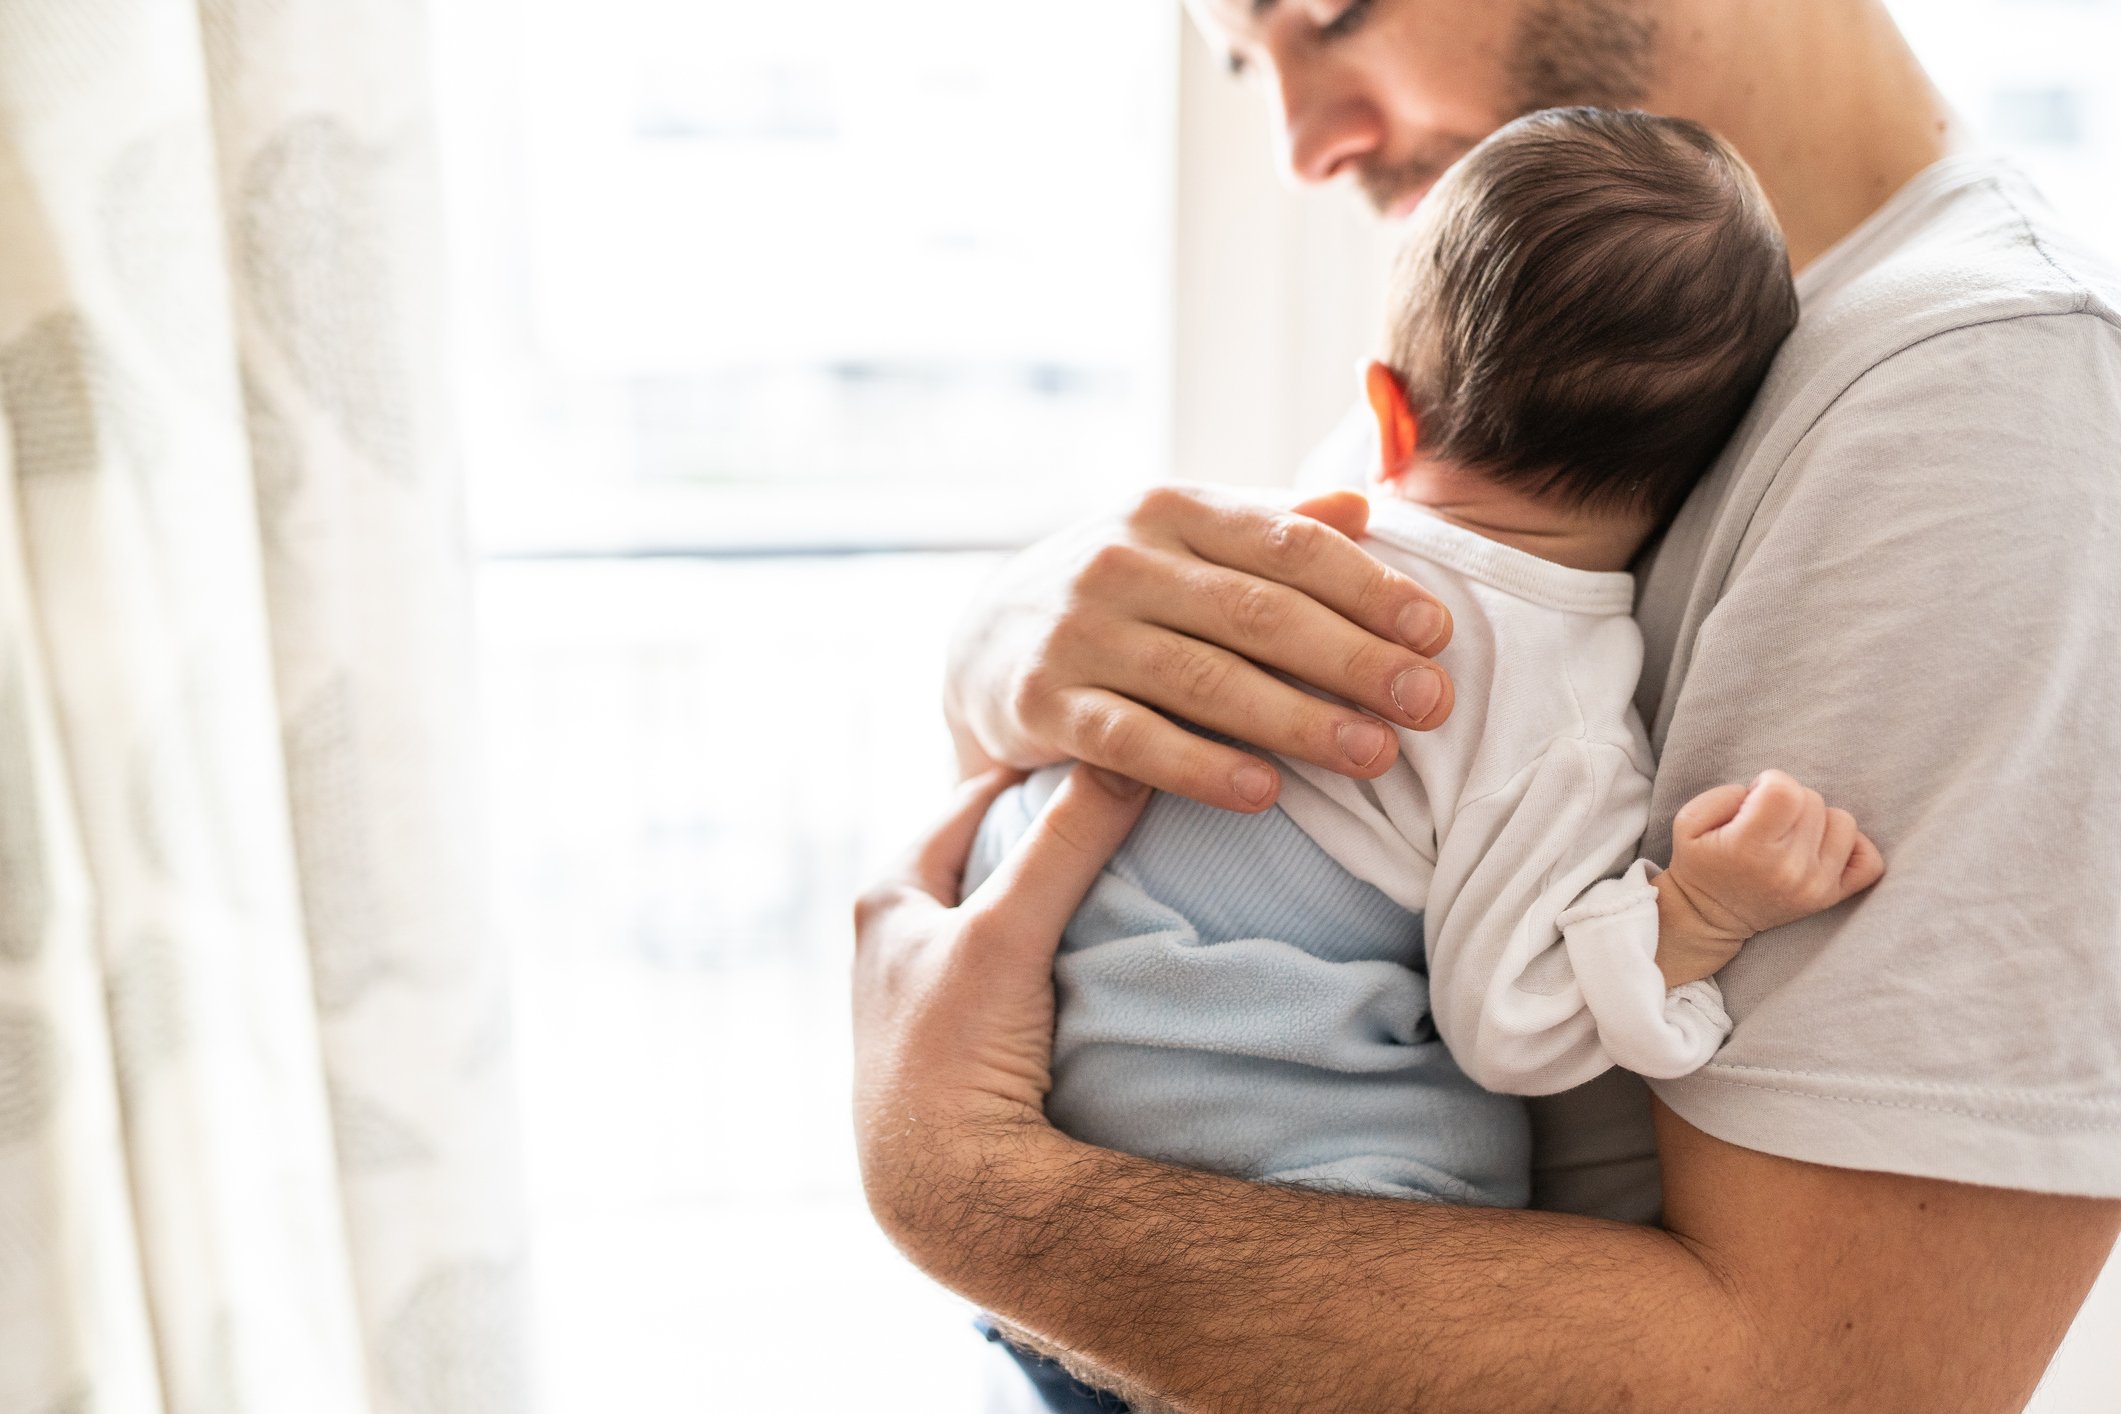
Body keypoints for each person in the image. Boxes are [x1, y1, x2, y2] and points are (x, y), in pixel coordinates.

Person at [852, 1, 2121, 1407]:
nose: (1296, 142)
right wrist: (1001, 647)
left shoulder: (1984, 401)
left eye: (1328, 11)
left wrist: (959, 1187)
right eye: (1239, 58)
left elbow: (1828, 1384)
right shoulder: (1552, 317)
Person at [961, 107, 1886, 1411]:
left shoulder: (1270, 559)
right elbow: (1512, 1022)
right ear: (1696, 476)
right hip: (1260, 1189)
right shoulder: (1550, 711)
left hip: (1055, 1131)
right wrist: (1692, 914)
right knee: (1458, 1172)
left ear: (1385, 412)